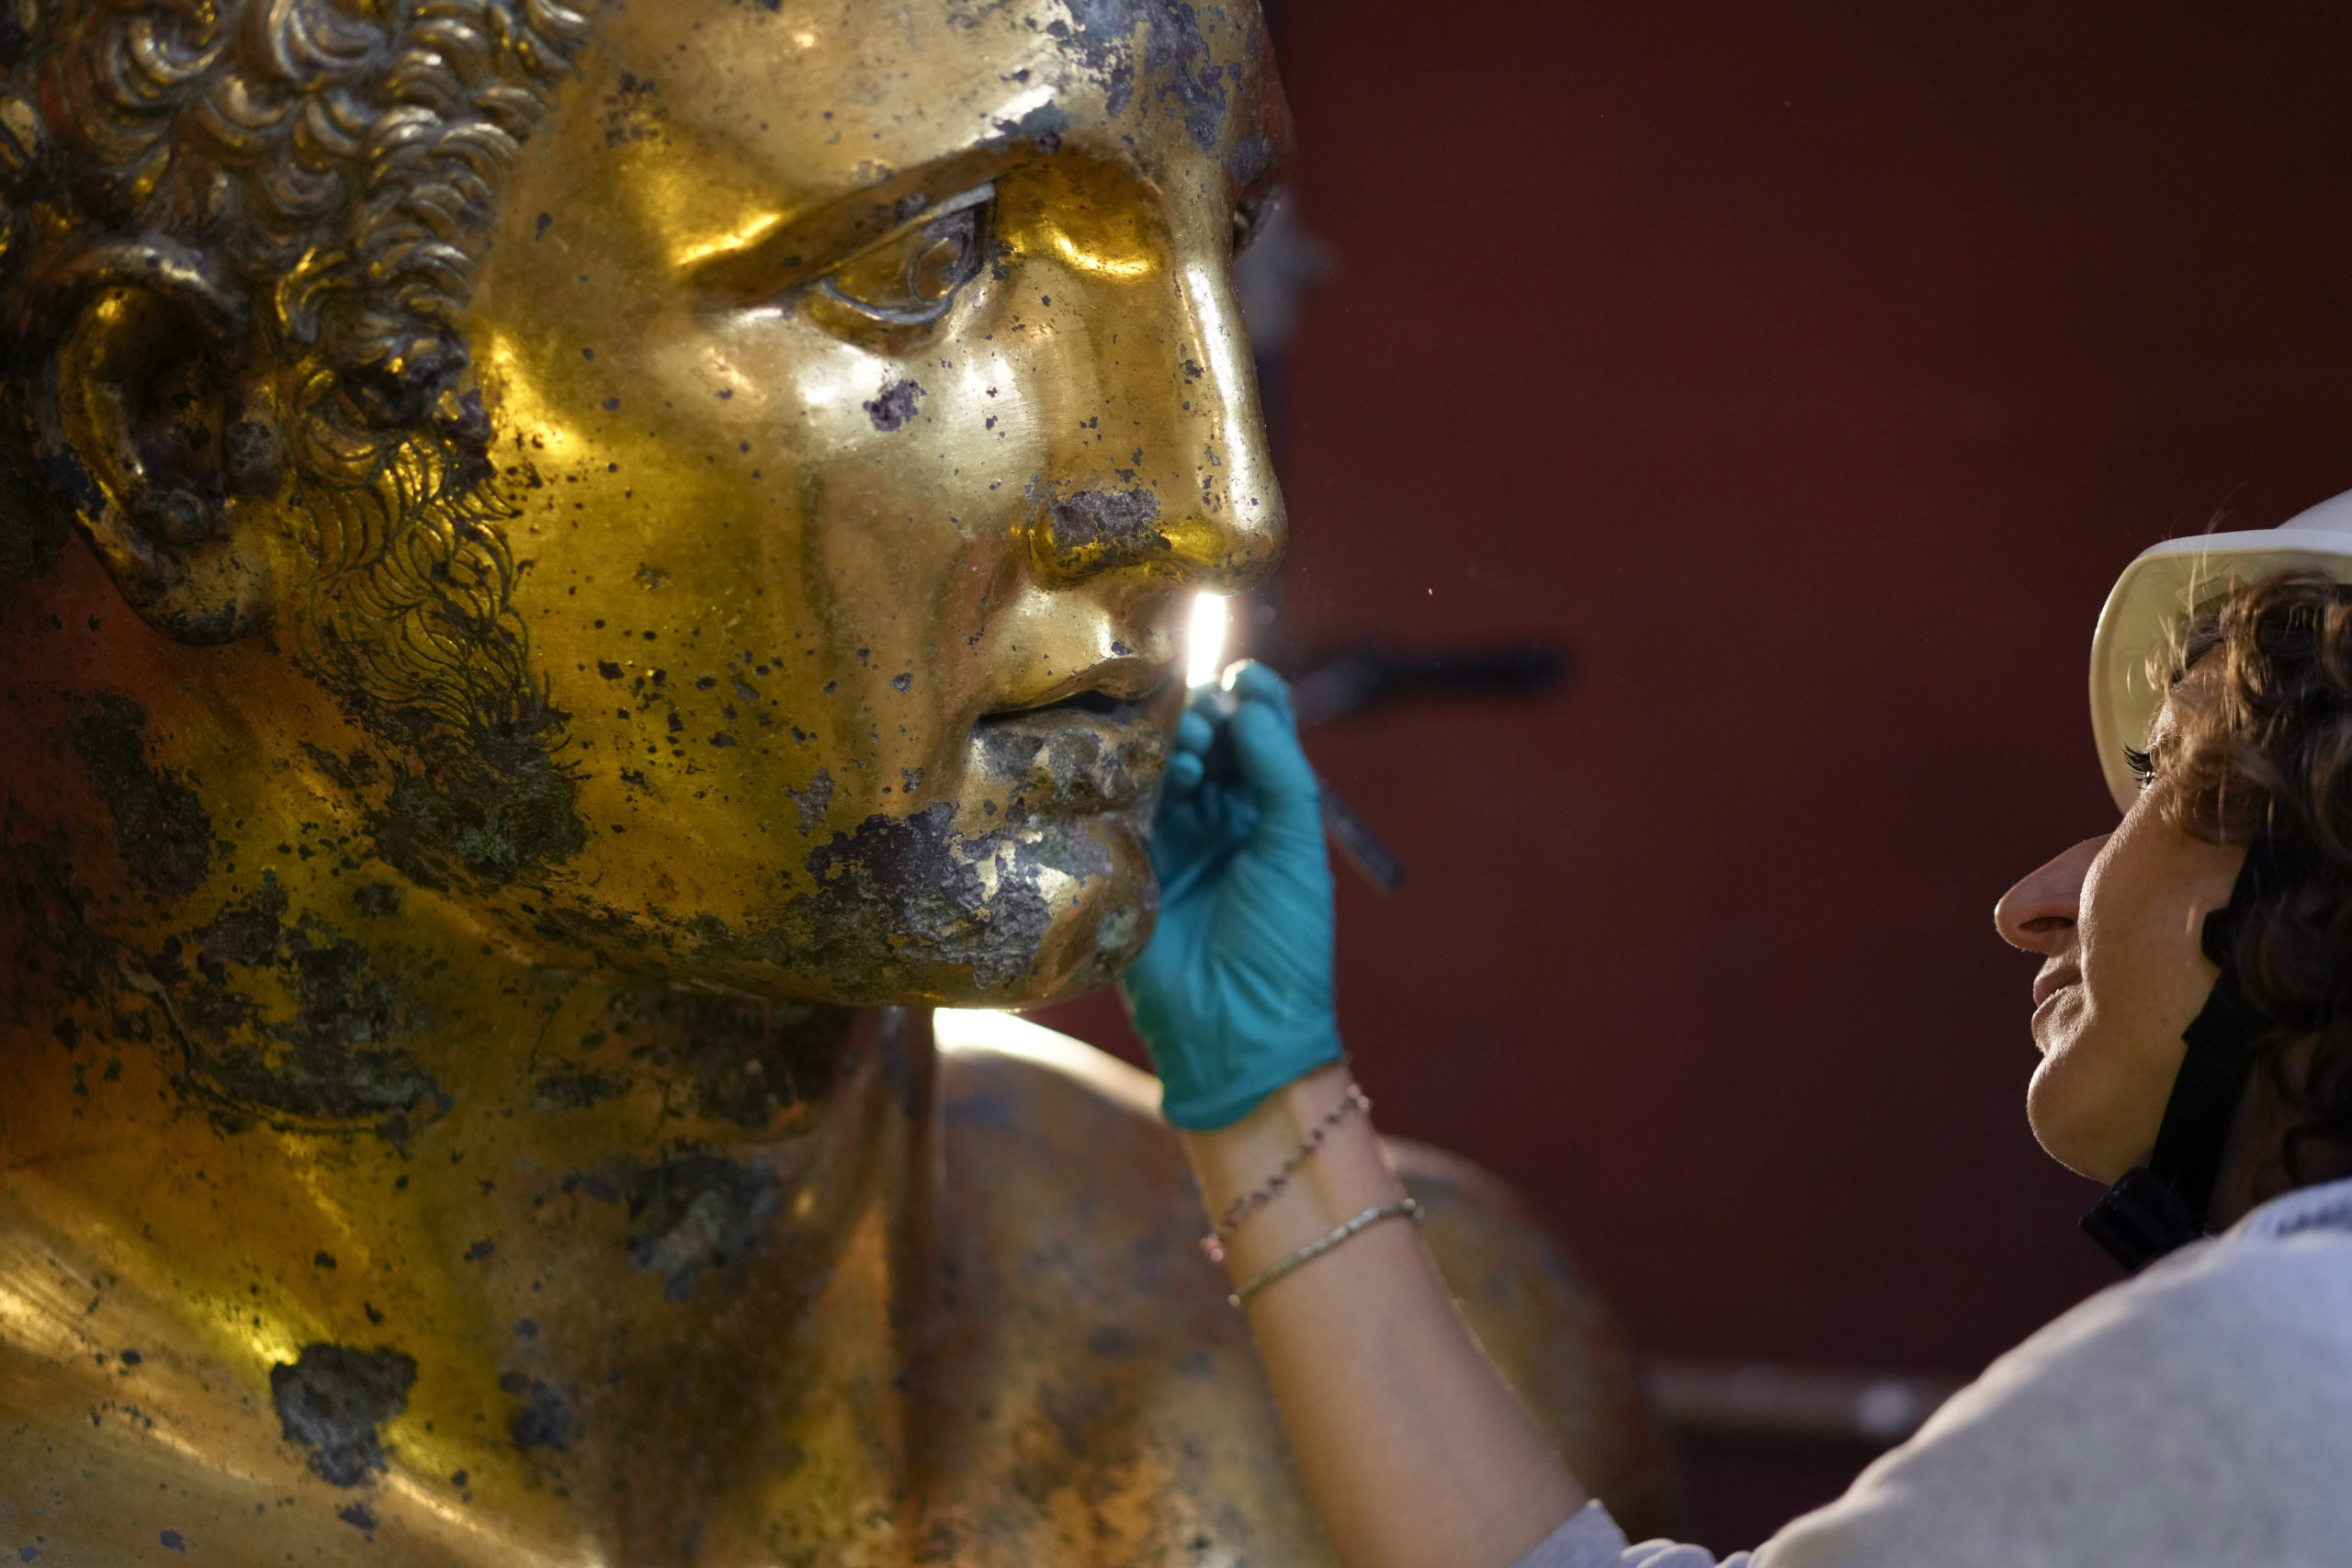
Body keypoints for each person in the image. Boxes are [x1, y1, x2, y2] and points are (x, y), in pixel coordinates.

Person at [1124, 492, 2352, 1568]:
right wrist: (1264, 1088)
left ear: (2317, 874)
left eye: (2164, 775)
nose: (2033, 903)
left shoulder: (2259, 1369)